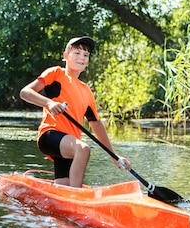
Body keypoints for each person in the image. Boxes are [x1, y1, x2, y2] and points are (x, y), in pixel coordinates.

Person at [20, 36, 131, 187]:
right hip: (50, 135)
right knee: (84, 149)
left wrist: (113, 155)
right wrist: (50, 103)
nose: (82, 58)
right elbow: (25, 92)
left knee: (64, 185)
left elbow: (96, 123)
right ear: (66, 56)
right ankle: (76, 194)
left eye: (86, 55)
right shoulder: (56, 73)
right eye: (77, 53)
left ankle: (65, 194)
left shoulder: (87, 91)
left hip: (69, 146)